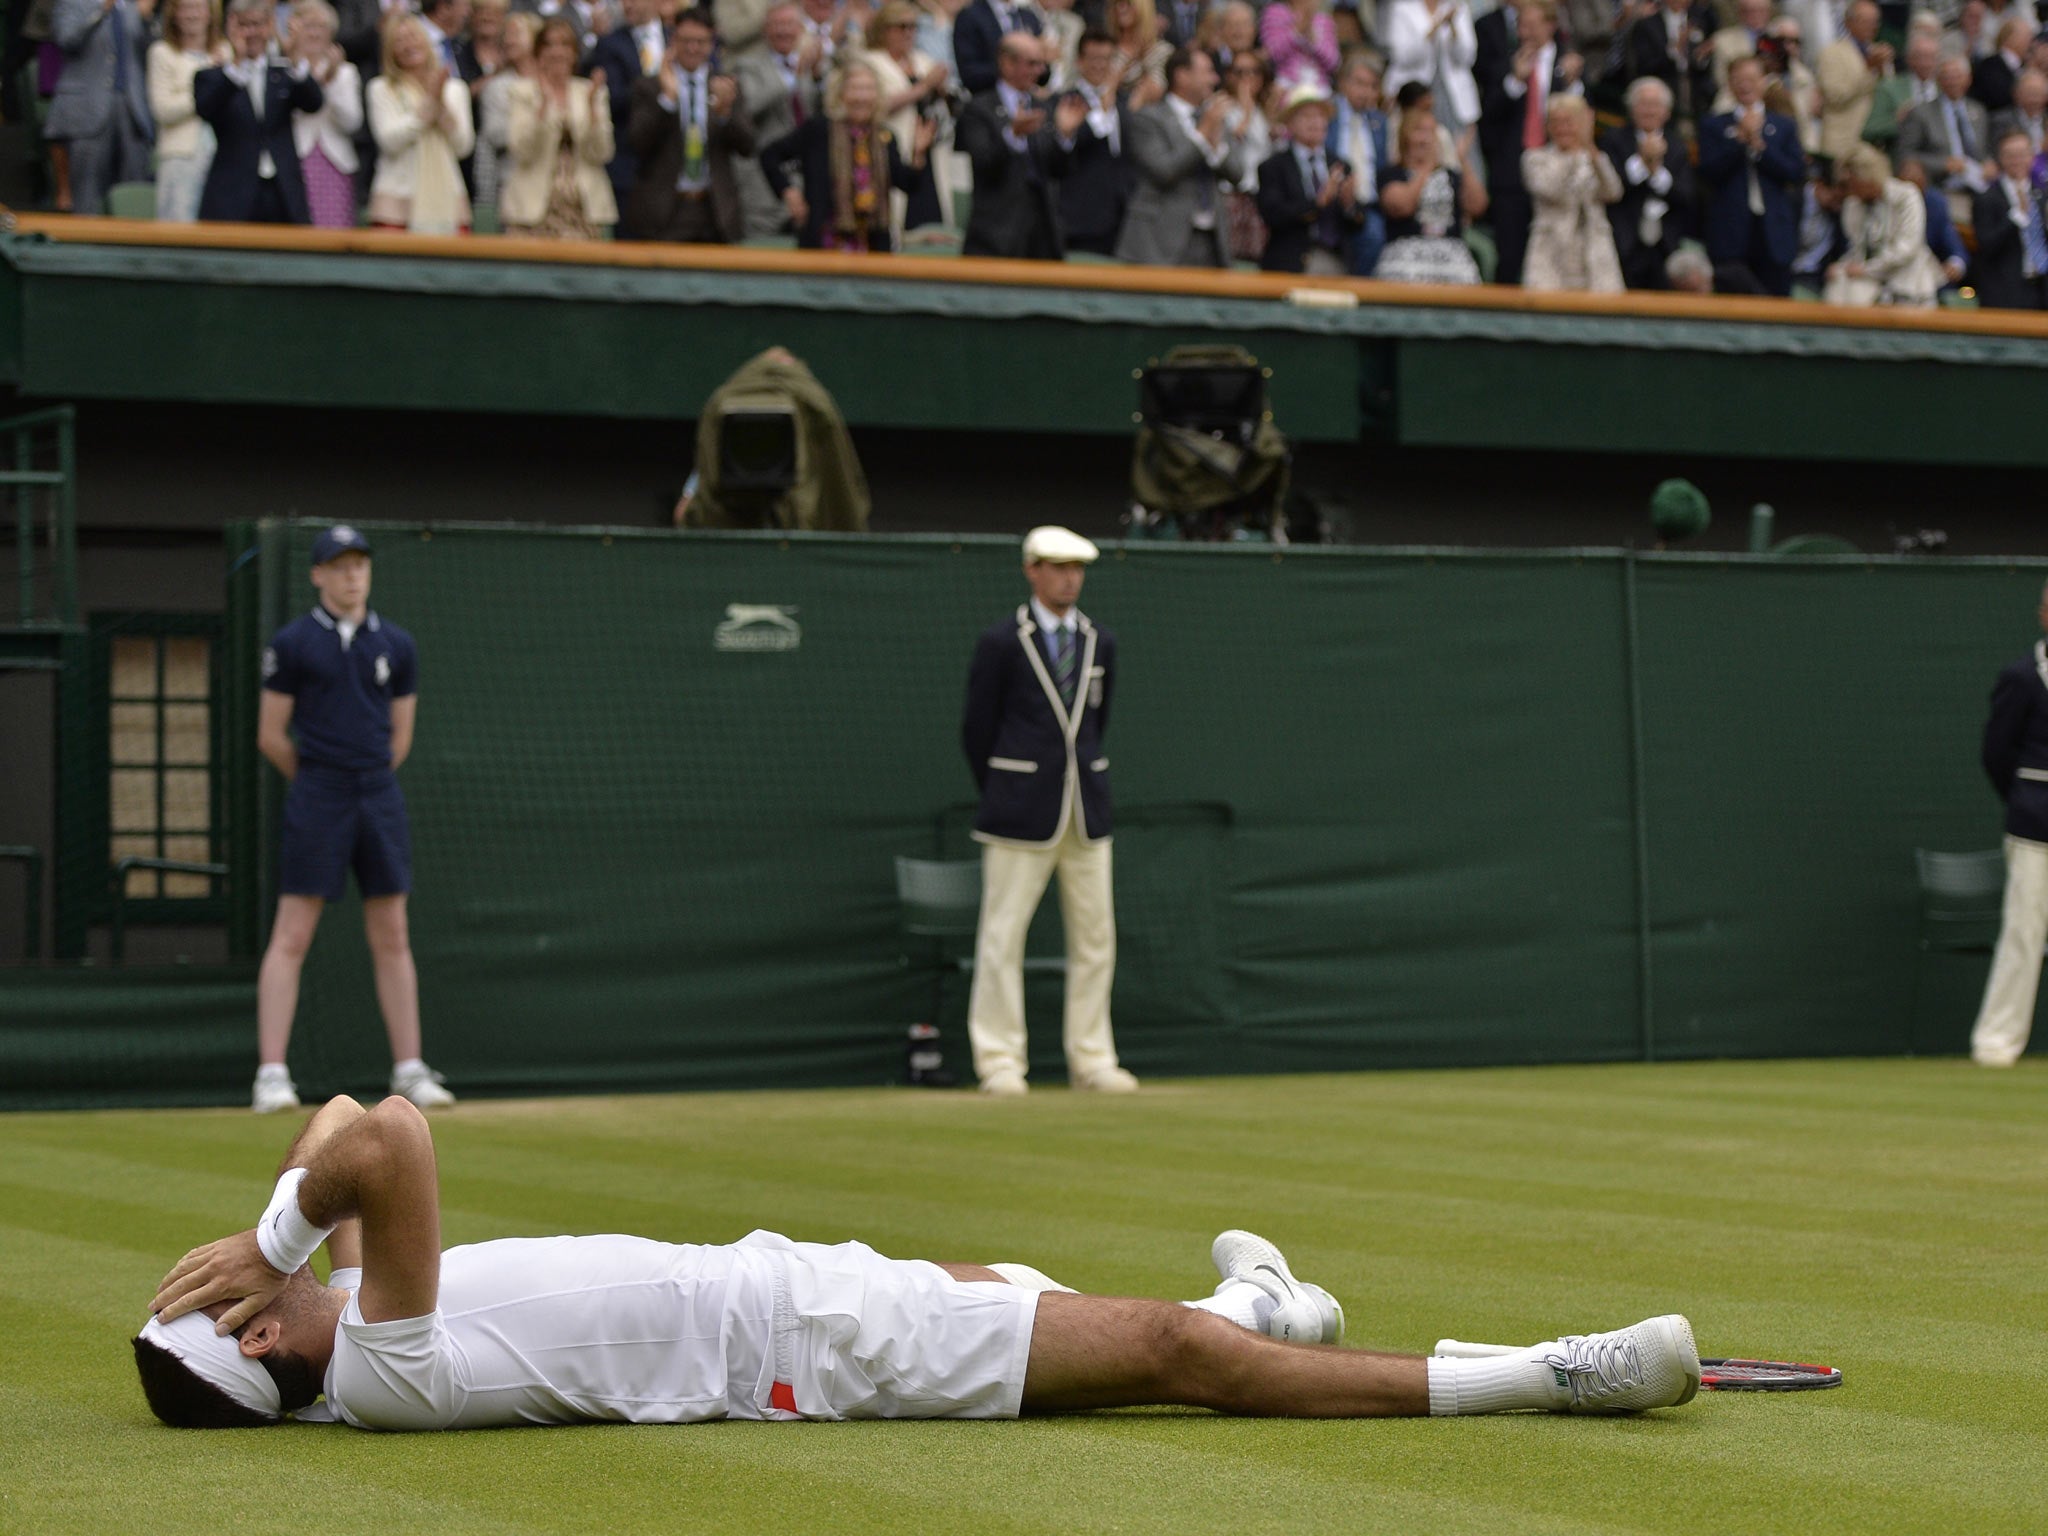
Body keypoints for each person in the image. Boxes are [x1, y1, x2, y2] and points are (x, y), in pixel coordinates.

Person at [132, 1092, 1705, 1431]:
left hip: (778, 1293)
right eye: (245, 1308)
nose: (257, 1279)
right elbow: (383, 1136)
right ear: (272, 1344)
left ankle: (1270, 1298)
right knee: (1169, 1353)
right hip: (803, 1352)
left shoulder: (354, 1323)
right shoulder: (388, 1365)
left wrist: (274, 1257)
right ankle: (1543, 1377)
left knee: (1010, 1286)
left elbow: (325, 1124)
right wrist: (273, 1245)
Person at [252, 526, 454, 1117]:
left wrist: (363, 777)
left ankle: (411, 1070)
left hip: (378, 792)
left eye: (359, 565)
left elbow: (400, 737)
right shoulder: (291, 645)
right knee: (292, 934)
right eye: (338, 566)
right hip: (318, 792)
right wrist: (318, 780)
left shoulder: (397, 643)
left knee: (392, 932)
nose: (351, 576)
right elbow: (270, 735)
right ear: (317, 575)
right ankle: (271, 1074)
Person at [960, 527, 1133, 1097]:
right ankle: (1000, 1061)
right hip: (1017, 813)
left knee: (1095, 938)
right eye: (1057, 567)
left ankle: (1092, 1059)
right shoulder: (1001, 642)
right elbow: (977, 729)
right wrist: (1010, 786)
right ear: (1031, 570)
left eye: (1077, 568)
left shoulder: (1099, 641)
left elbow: (1096, 727)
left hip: (1087, 811)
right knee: (1002, 937)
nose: (1069, 579)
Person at [1969, 582, 2048, 1069]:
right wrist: (2025, 800)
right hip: (2035, 824)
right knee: (2024, 934)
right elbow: (1996, 753)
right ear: (2042, 614)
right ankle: (1996, 1045)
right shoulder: (2021, 677)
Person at [760, 53, 936, 249]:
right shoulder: (819, 130)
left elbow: (907, 183)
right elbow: (770, 155)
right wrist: (789, 192)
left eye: (868, 89)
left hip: (872, 243)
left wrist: (919, 153)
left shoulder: (884, 137)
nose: (862, 97)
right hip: (824, 242)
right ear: (841, 93)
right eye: (855, 89)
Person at [623, 8, 754, 241]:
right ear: (673, 40)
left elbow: (747, 146)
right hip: (665, 211)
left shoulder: (726, 85)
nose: (692, 48)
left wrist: (725, 114)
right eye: (686, 41)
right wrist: (668, 101)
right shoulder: (650, 87)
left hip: (715, 211)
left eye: (700, 42)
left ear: (712, 44)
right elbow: (637, 144)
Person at [1478, 0, 1583, 286]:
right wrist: (1514, 81)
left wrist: (1573, 83)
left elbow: (1582, 119)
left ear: (1550, 26)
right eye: (1521, 26)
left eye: (1531, 26)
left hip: (1557, 176)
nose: (1524, 33)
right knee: (1509, 258)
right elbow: (1488, 119)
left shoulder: (1568, 62)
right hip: (1512, 175)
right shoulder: (1505, 62)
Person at [1116, 43, 1250, 263]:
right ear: (1182, 76)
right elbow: (1164, 170)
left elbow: (1237, 174)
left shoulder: (1214, 118)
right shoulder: (1148, 118)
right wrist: (1203, 135)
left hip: (1211, 241)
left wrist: (1216, 147)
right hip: (1158, 242)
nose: (1215, 80)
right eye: (1208, 72)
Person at [197, 0, 324, 224]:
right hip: (232, 194)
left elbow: (313, 103)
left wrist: (295, 58)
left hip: (282, 192)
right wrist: (237, 65)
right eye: (244, 25)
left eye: (258, 24)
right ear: (231, 27)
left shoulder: (284, 72)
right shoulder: (215, 76)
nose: (251, 33)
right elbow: (205, 108)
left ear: (270, 25)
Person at [958, 34, 1083, 258]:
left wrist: (1064, 136)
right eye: (1032, 63)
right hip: (995, 236)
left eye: (1042, 63)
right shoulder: (979, 109)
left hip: (1042, 237)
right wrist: (1012, 134)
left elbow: (1059, 171)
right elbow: (984, 162)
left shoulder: (1045, 107)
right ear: (1007, 63)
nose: (1040, 71)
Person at [1696, 53, 1805, 294]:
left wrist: (1759, 146)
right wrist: (1739, 143)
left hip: (1774, 234)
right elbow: (1708, 173)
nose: (1745, 85)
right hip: (1730, 235)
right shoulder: (1714, 125)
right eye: (1738, 79)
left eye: (1751, 78)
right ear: (1729, 84)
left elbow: (1795, 172)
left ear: (1763, 81)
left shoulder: (1784, 125)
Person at [501, 14, 617, 235]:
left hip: (583, 212)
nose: (557, 51)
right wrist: (542, 109)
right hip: (532, 212)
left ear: (574, 53)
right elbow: (522, 151)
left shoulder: (591, 92)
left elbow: (602, 153)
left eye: (565, 44)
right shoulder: (522, 91)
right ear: (538, 52)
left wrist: (593, 111)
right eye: (549, 44)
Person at [367, 11, 476, 231]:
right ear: (390, 50)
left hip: (449, 204)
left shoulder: (455, 89)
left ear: (426, 41)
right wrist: (427, 108)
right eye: (399, 40)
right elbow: (389, 141)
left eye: (414, 37)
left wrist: (442, 108)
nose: (408, 45)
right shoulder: (381, 88)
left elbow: (463, 146)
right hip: (396, 206)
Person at [45, 0, 156, 215]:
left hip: (132, 111)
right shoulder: (72, 3)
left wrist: (147, 19)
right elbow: (66, 39)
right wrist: (101, 9)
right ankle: (85, 246)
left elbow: (152, 49)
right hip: (88, 112)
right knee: (87, 195)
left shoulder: (133, 6)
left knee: (135, 193)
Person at [732, 2, 826, 238]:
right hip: (762, 183)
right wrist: (790, 77)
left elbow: (825, 114)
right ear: (765, 30)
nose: (783, 31)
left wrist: (816, 76)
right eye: (777, 25)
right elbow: (749, 107)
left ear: (801, 30)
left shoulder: (812, 66)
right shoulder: (747, 65)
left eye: (789, 25)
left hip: (806, 179)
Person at [859, 0, 948, 236]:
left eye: (913, 27)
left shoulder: (923, 60)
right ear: (883, 29)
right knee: (898, 219)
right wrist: (924, 87)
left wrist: (942, 90)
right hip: (891, 151)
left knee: (931, 225)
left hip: (927, 151)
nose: (909, 33)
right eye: (902, 26)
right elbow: (875, 106)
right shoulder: (869, 62)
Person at [1257, 83, 1365, 270]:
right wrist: (1318, 202)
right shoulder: (1274, 166)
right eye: (1307, 116)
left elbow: (1357, 224)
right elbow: (1273, 214)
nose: (1315, 122)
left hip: (1336, 260)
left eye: (1320, 116)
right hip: (1292, 262)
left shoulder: (1341, 165)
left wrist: (1349, 206)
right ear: (1289, 123)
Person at [1375, 96, 1484, 280]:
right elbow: (1401, 206)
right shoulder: (1392, 174)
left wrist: (1463, 161)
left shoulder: (1450, 175)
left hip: (1452, 257)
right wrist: (1426, 169)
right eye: (1418, 131)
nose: (1425, 139)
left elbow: (1478, 206)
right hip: (1406, 255)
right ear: (1404, 136)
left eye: (1430, 132)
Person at [1602, 74, 1695, 286]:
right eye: (1643, 104)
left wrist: (1656, 171)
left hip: (1665, 246)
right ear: (1631, 108)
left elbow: (1685, 194)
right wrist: (1643, 163)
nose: (1649, 111)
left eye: (1655, 105)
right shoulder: (1614, 139)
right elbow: (1611, 186)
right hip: (1624, 242)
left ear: (1667, 112)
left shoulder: (1678, 146)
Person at [1522, 92, 1622, 288]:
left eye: (1569, 122)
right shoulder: (1535, 159)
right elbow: (1551, 190)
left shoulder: (1594, 158)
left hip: (1594, 252)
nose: (1562, 129)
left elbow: (1613, 191)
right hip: (1551, 252)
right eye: (1556, 122)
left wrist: (1590, 150)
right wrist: (1573, 158)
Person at [1822, 140, 1941, 302]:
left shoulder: (1906, 196)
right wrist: (1842, 266)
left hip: (1907, 285)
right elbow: (1858, 248)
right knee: (1837, 286)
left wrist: (1867, 269)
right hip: (1870, 282)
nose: (1847, 190)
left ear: (1865, 176)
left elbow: (1906, 249)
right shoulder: (1853, 205)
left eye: (1850, 183)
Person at [1057, 27, 1137, 254]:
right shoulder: (1066, 101)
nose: (1101, 65)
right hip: (1081, 217)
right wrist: (1102, 107)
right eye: (1094, 59)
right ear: (1080, 62)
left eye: (1107, 59)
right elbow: (1071, 144)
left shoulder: (1123, 103)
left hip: (1122, 217)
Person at [148, 0, 229, 222]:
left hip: (223, 155)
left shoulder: (226, 51)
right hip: (180, 157)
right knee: (178, 228)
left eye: (198, 7)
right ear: (173, 14)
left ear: (210, 13)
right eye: (185, 8)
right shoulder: (162, 52)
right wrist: (209, 87)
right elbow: (163, 109)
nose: (192, 15)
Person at [583, 0, 666, 216]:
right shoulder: (610, 44)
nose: (628, 5)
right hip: (629, 167)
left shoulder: (679, 39)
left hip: (673, 167)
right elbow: (612, 98)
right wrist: (660, 86)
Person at [285, 0, 362, 228]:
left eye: (321, 27)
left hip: (335, 164)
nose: (315, 33)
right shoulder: (283, 68)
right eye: (308, 26)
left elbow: (351, 122)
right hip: (296, 160)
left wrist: (332, 80)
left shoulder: (346, 72)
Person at [1897, 54, 1993, 228]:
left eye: (1957, 77)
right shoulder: (1921, 113)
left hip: (1979, 187)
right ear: (1939, 81)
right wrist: (1943, 163)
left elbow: (1985, 150)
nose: (1952, 82)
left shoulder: (1978, 110)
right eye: (1947, 77)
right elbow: (1904, 156)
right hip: (1942, 188)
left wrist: (1989, 164)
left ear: (1968, 80)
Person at [472, 9, 540, 228]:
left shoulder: (555, 82)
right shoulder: (497, 87)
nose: (509, 40)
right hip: (511, 187)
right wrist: (542, 123)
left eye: (517, 33)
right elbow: (497, 134)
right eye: (506, 35)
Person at [1969, 126, 2048, 307]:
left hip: (2043, 288)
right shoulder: (1987, 199)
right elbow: (1986, 245)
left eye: (2022, 154)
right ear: (2001, 158)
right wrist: (2016, 216)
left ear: (2032, 156)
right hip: (2006, 292)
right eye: (2010, 155)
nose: (2017, 161)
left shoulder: (2043, 195)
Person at [1331, 48, 1389, 273]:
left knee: (1375, 233)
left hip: (1368, 206)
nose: (1366, 92)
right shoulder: (1328, 112)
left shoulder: (1380, 123)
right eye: (1360, 83)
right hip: (1330, 200)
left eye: (1373, 86)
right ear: (1343, 83)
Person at [1384, 0, 1478, 132]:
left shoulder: (1458, 7)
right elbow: (1402, 56)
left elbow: (1467, 57)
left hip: (1453, 101)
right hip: (1413, 96)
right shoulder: (1402, 7)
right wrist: (1435, 27)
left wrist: (1453, 28)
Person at [1814, 0, 1885, 165]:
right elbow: (1835, 96)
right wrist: (1868, 68)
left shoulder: (1877, 52)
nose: (1872, 26)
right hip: (1842, 143)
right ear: (1848, 22)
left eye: (1875, 21)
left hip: (1874, 143)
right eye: (1865, 21)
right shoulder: (1831, 52)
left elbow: (1884, 95)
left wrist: (1882, 70)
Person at [1624, 0, 1714, 126]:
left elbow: (1702, 62)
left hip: (1694, 93)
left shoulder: (1700, 21)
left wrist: (1701, 56)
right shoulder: (1646, 25)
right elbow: (1644, 66)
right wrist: (1674, 50)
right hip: (1664, 89)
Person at [954, 0, 1043, 94]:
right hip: (988, 98)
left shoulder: (1028, 17)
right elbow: (969, 72)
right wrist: (1007, 72)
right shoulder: (970, 16)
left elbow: (1043, 71)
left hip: (1029, 98)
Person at [1260, 0, 1340, 92]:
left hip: (1319, 89)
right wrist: (1297, 32)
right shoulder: (1275, 13)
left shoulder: (1325, 21)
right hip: (1285, 87)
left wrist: (1314, 42)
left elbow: (1333, 62)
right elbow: (1272, 53)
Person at [1969, 14, 2031, 114]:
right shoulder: (1988, 66)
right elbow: (1999, 98)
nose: (2030, 42)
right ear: (2010, 38)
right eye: (2026, 36)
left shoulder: (2027, 66)